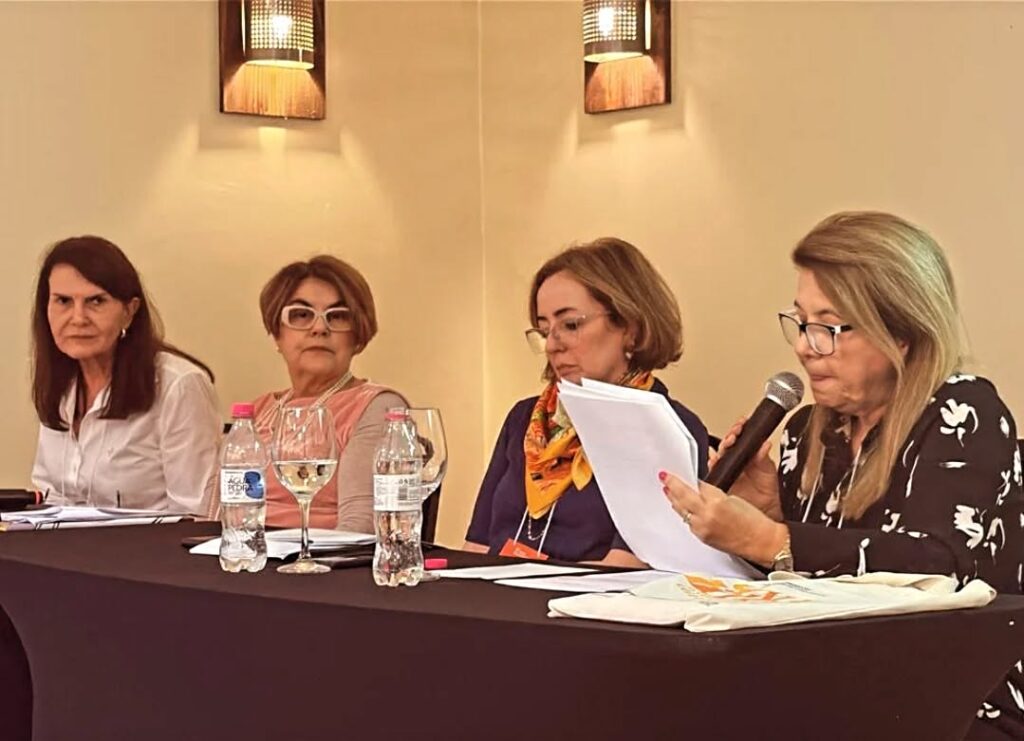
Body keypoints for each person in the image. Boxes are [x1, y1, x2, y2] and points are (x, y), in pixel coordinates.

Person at [661, 211, 1024, 739]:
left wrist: (769, 538)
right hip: (827, 681)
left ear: (901, 331)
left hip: (960, 701)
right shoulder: (811, 429)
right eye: (800, 322)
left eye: (828, 327)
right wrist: (766, 509)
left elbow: (938, 564)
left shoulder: (963, 413)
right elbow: (808, 587)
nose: (804, 346)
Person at [465, 238, 709, 563]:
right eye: (544, 331)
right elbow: (475, 549)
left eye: (570, 325)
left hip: (584, 596)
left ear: (630, 328)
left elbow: (624, 569)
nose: (552, 345)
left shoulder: (665, 426)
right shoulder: (524, 418)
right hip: (495, 591)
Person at [31, 236, 221, 514]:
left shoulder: (178, 385)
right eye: (63, 301)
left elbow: (197, 514)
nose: (78, 318)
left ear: (129, 312)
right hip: (63, 541)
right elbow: (51, 500)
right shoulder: (60, 383)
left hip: (154, 543)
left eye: (96, 301)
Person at [240, 255, 406, 533]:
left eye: (338, 316)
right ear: (277, 334)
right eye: (301, 315)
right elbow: (214, 514)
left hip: (324, 557)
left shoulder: (378, 407)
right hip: (242, 553)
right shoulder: (257, 411)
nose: (319, 329)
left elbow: (361, 528)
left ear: (357, 337)